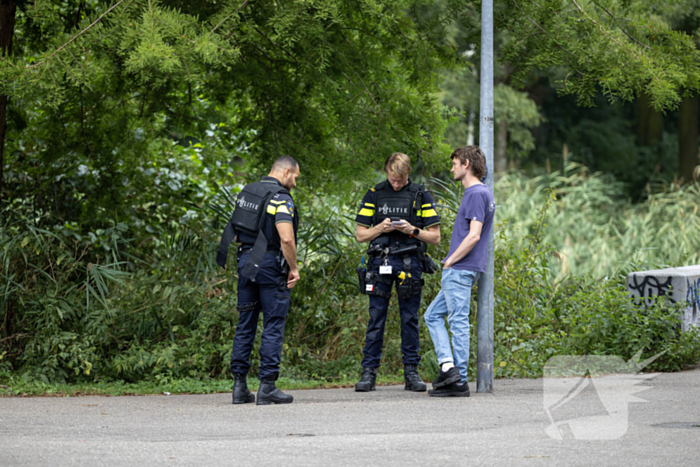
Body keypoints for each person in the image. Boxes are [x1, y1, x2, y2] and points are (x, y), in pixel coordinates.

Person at [216, 155, 301, 405]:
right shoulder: (281, 198)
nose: (295, 183)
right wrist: (293, 268)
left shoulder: (247, 192)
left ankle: (239, 387)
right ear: (286, 172)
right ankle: (267, 387)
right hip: (269, 266)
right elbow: (286, 238)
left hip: (245, 264)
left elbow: (235, 234)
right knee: (273, 324)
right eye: (295, 177)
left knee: (245, 324)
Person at [354, 153, 441, 393]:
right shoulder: (375, 193)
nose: (395, 184)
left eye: (400, 180)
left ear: (408, 173)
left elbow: (435, 236)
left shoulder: (421, 195)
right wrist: (380, 228)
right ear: (387, 172)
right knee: (376, 318)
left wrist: (412, 230)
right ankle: (368, 373)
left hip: (410, 261)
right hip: (379, 260)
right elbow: (361, 234)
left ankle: (411, 372)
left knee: (409, 319)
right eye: (392, 179)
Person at [424, 146, 494, 397]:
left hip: (460, 269)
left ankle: (459, 379)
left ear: (466, 163)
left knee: (457, 321)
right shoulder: (482, 192)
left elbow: (474, 236)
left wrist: (450, 260)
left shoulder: (475, 193)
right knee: (432, 316)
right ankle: (449, 367)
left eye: (454, 163)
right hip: (463, 269)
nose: (451, 168)